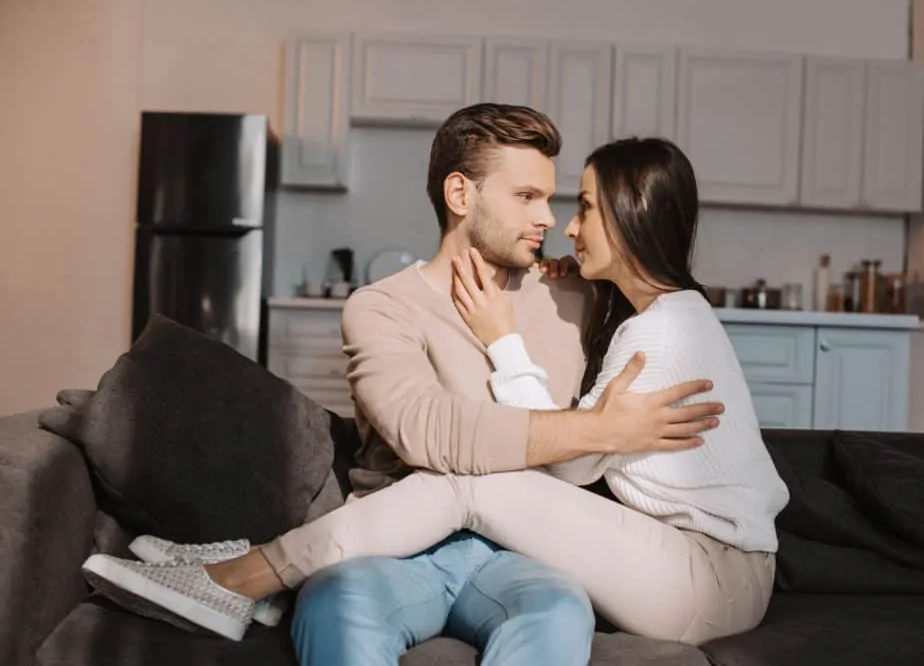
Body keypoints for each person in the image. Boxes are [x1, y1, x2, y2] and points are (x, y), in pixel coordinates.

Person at [81, 105, 725, 664]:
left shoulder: (572, 293)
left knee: (559, 615)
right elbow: (425, 430)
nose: (551, 220)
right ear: (460, 195)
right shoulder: (381, 306)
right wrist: (589, 430)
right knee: (336, 609)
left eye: (553, 200)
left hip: (524, 551)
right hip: (394, 551)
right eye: (526, 197)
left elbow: (657, 275)